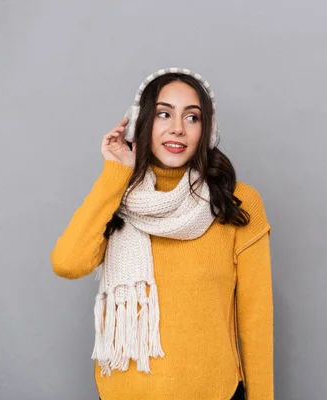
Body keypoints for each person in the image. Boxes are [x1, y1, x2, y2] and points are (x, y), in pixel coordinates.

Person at [50, 67, 274, 400]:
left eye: (192, 118)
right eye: (163, 114)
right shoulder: (116, 198)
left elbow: (256, 321)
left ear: (206, 132)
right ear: (141, 123)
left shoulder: (236, 202)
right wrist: (116, 172)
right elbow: (68, 263)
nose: (177, 129)